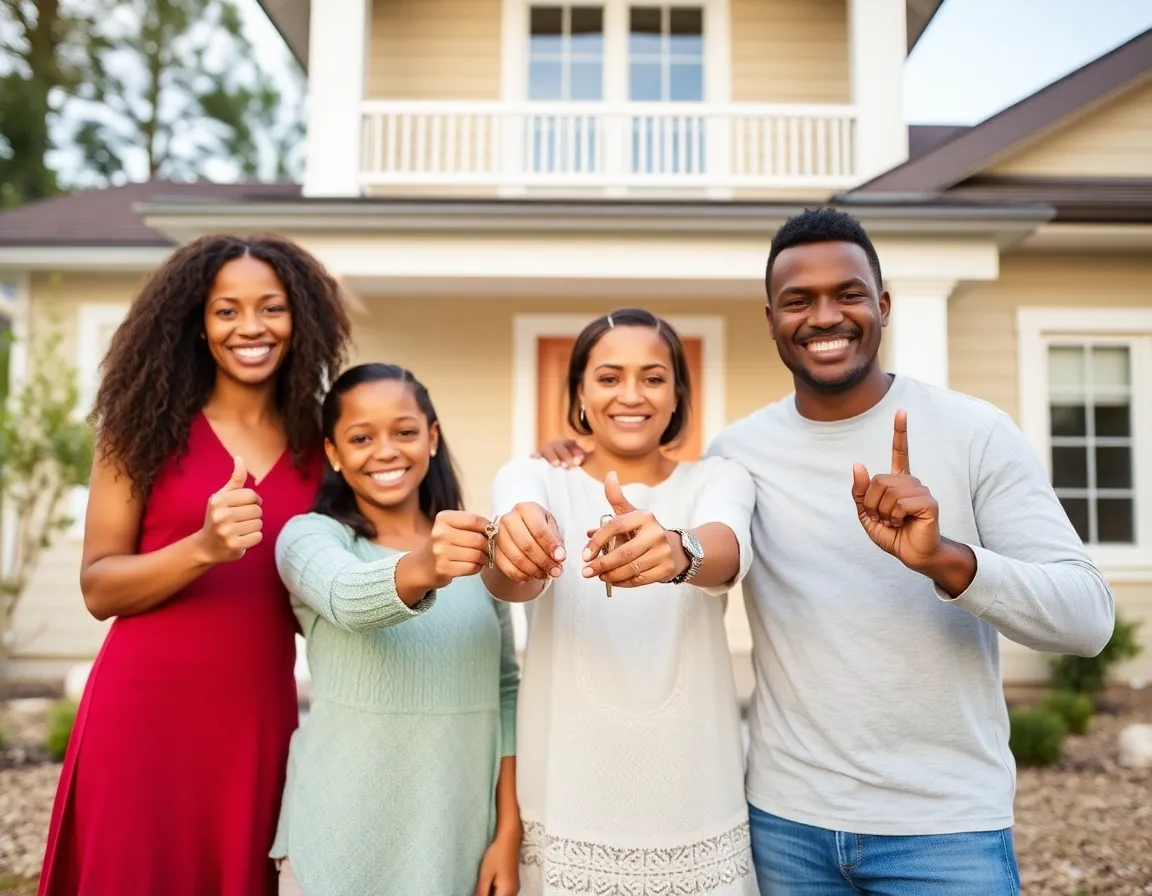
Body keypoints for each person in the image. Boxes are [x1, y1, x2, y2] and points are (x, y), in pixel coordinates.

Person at [534, 208, 1115, 895]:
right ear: (773, 318)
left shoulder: (975, 432)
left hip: (944, 832)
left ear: (884, 306)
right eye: (798, 300)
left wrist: (945, 559)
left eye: (847, 294)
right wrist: (570, 458)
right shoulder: (738, 455)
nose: (824, 316)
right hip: (786, 829)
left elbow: (1088, 620)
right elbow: (709, 542)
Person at [39, 235, 351, 896]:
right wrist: (201, 548)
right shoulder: (139, 429)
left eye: (271, 307)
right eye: (226, 310)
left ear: (301, 320)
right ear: (199, 326)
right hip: (143, 712)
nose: (250, 327)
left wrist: (564, 453)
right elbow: (99, 586)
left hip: (256, 719)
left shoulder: (321, 446)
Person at [483, 309, 758, 895]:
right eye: (608, 377)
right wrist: (521, 545)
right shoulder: (535, 478)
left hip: (692, 792)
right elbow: (514, 572)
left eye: (653, 377)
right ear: (579, 390)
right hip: (568, 792)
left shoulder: (719, 479)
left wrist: (679, 550)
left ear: (678, 392)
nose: (631, 394)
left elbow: (726, 551)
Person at [271, 363, 521, 896]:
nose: (385, 451)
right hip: (334, 841)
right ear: (334, 453)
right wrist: (427, 565)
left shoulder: (476, 549)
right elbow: (346, 596)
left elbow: (505, 691)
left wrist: (507, 830)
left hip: (455, 842)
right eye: (361, 438)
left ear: (431, 437)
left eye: (405, 432)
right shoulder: (310, 538)